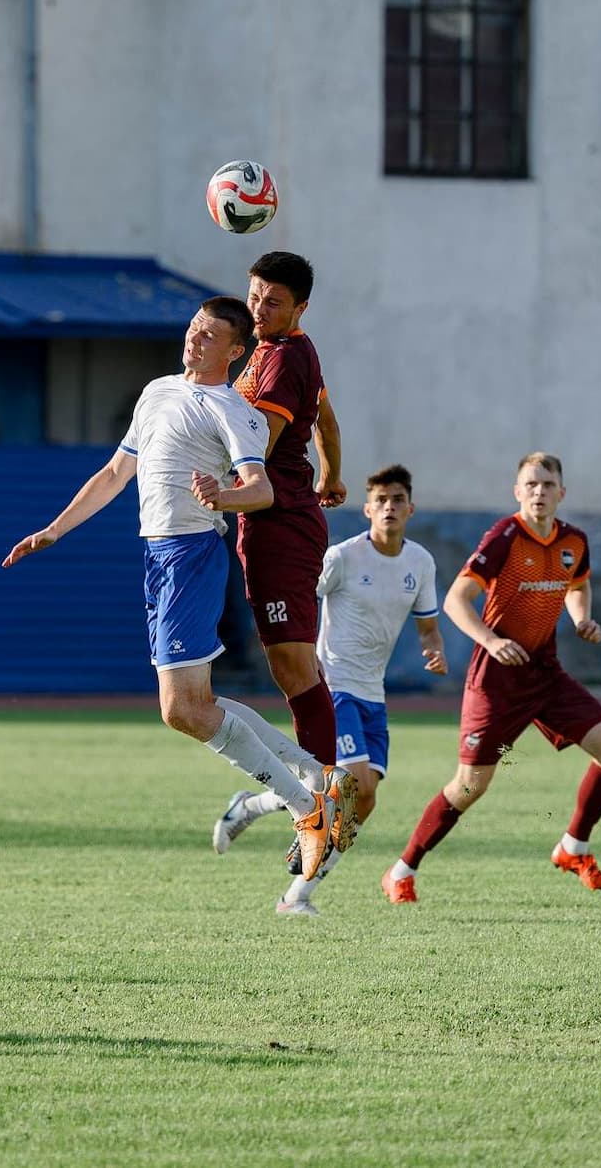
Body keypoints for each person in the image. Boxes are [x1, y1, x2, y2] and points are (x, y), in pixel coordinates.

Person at [3, 298, 349, 879]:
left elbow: (260, 490)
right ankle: (317, 776)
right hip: (157, 556)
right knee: (191, 708)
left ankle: (305, 805)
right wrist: (55, 530)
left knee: (181, 708)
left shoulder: (233, 409)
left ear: (236, 352)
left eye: (210, 335)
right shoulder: (157, 390)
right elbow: (116, 472)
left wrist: (223, 497)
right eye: (193, 328)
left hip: (191, 553)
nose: (194, 339)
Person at [382, 453, 601, 903]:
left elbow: (578, 584)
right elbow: (458, 599)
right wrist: (491, 640)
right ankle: (402, 869)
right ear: (517, 492)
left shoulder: (573, 540)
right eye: (530, 484)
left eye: (547, 484)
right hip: (495, 679)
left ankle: (573, 848)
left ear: (562, 492)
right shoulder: (504, 538)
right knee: (469, 786)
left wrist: (581, 620)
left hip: (544, 673)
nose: (539, 492)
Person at [213, 465, 447, 915]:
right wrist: (303, 653)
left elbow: (429, 627)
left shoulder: (420, 562)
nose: (389, 508)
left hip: (373, 695)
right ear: (367, 509)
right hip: (334, 685)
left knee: (365, 798)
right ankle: (294, 893)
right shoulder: (342, 556)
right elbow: (303, 596)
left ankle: (270, 843)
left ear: (411, 508)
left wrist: (434, 651)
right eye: (381, 500)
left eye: (398, 500)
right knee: (348, 786)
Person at [231, 252, 356, 841]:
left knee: (294, 666)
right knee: (290, 667)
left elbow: (255, 445)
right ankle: (320, 794)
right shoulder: (275, 347)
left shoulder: (283, 360)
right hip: (277, 517)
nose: (259, 307)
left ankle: (322, 802)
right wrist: (331, 474)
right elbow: (325, 416)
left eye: (273, 301)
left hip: (278, 521)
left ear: (301, 308)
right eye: (255, 295)